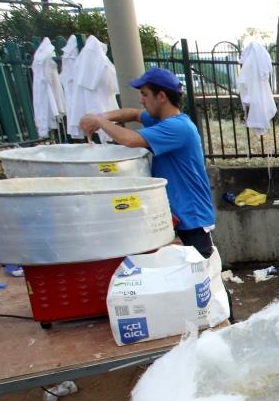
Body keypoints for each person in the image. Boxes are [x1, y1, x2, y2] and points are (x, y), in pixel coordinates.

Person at [79, 68, 216, 260]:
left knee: (206, 273)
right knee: (184, 273)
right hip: (175, 211)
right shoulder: (160, 120)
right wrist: (104, 115)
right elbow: (134, 114)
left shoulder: (177, 127)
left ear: (161, 96)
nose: (141, 100)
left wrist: (100, 121)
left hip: (191, 214)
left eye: (145, 94)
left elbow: (130, 139)